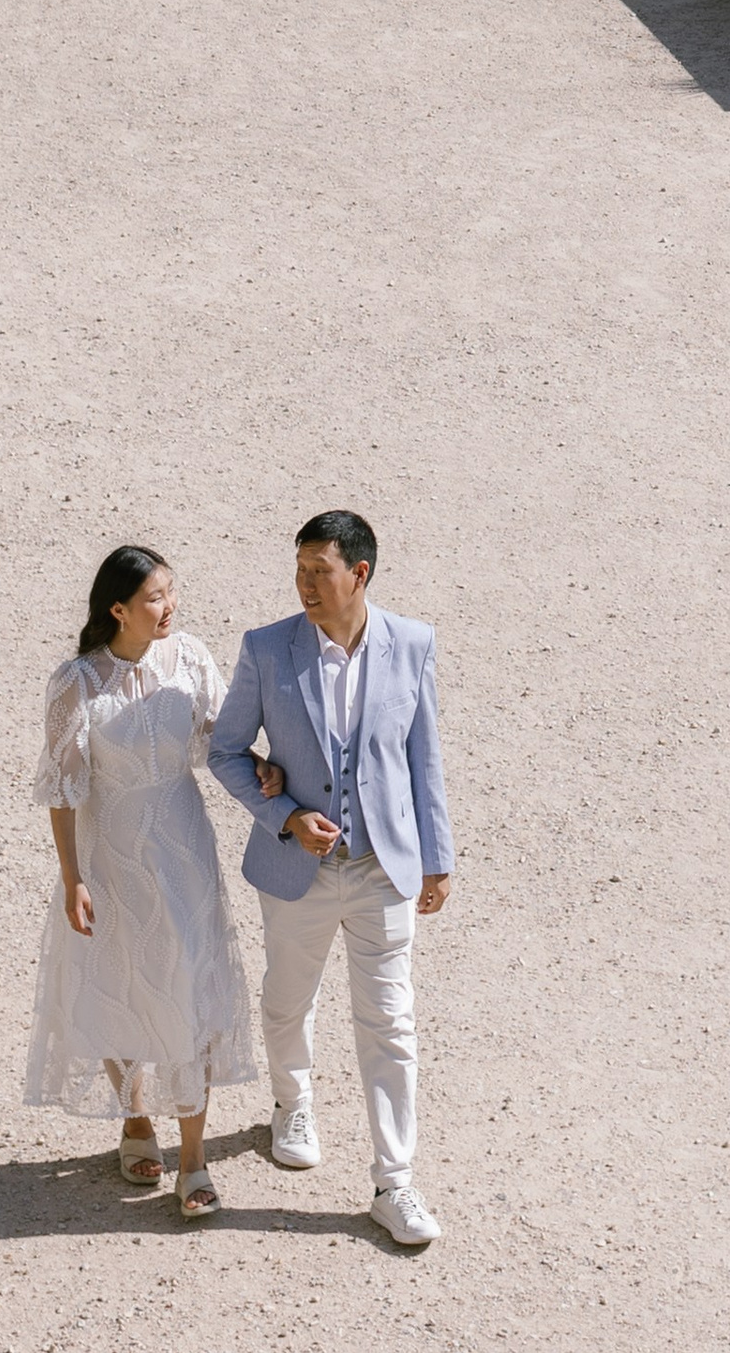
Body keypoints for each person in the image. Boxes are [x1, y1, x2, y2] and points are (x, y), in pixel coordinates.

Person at [208, 510, 454, 1252]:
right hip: (298, 872)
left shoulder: (412, 644)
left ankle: (394, 1182)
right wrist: (283, 814)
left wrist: (437, 859)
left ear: (361, 574)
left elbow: (424, 760)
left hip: (384, 867)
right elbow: (225, 751)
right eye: (300, 569)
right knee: (288, 999)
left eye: (321, 570)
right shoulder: (266, 648)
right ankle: (292, 1104)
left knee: (391, 1024)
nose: (306, 584)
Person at [25, 545, 265, 1221]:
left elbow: (221, 737)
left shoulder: (188, 656)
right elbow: (62, 787)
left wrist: (264, 772)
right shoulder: (76, 682)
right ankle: (134, 1118)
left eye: (171, 592)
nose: (170, 606)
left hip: (183, 846)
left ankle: (194, 1159)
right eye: (155, 597)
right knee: (118, 979)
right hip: (112, 851)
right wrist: (72, 877)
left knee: (189, 979)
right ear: (119, 609)